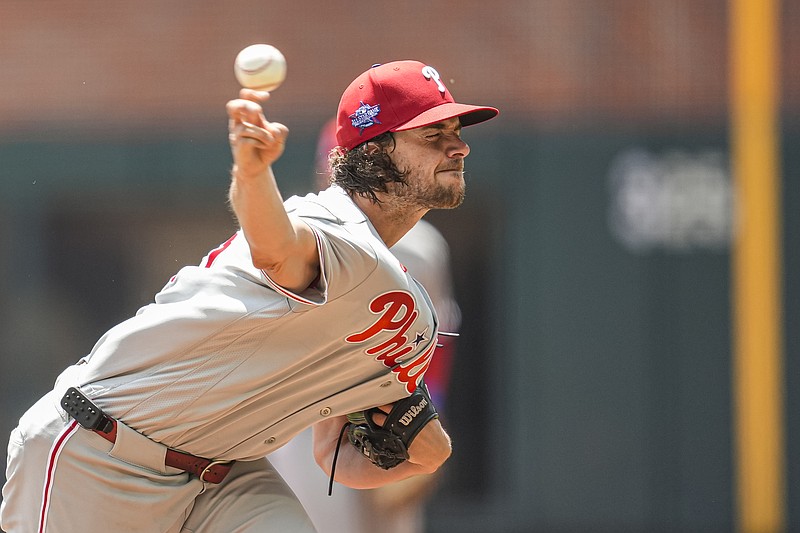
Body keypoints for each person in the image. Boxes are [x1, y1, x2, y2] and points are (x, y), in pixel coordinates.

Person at [0, 60, 498, 533]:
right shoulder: (332, 227)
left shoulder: (411, 314)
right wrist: (254, 175)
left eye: (456, 133)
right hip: (101, 452)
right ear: (373, 150)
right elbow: (278, 249)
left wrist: (422, 455)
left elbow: (333, 455)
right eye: (432, 134)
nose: (458, 147)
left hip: (224, 476)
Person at [268, 118, 463, 533]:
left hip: (392, 412)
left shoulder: (422, 247)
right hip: (306, 416)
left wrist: (432, 418)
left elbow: (438, 343)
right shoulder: (304, 231)